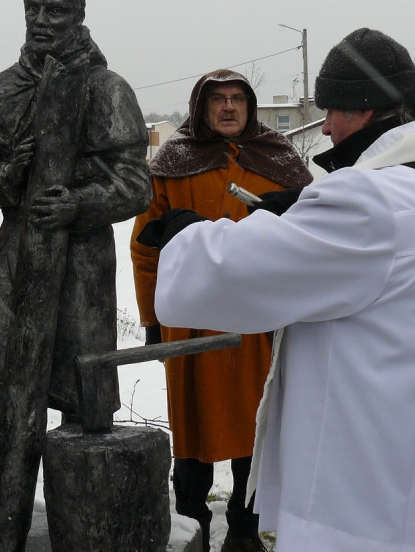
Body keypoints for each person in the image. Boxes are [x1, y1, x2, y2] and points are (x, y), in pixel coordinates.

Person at [145, 28, 415, 552]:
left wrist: (184, 233)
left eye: (332, 112)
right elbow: (361, 240)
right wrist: (299, 210)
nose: (329, 127)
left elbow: (234, 272)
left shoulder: (368, 201)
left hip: (372, 464)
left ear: (362, 112)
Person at [0, 0, 151, 549]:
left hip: (81, 267)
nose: (42, 21)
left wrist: (80, 202)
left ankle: (85, 523)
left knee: (82, 399)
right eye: (33, 9)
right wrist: (7, 176)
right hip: (16, 262)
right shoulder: (1, 90)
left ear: (79, 14)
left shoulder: (107, 88)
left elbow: (136, 184)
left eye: (56, 12)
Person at [130, 69, 312, 552]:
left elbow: (313, 236)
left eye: (237, 99)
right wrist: (152, 319)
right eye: (218, 100)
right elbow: (145, 249)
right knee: (194, 426)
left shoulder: (281, 160)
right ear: (201, 107)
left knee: (257, 423)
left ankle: (245, 530)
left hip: (260, 320)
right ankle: (191, 526)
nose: (229, 108)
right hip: (193, 321)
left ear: (250, 107)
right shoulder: (173, 162)